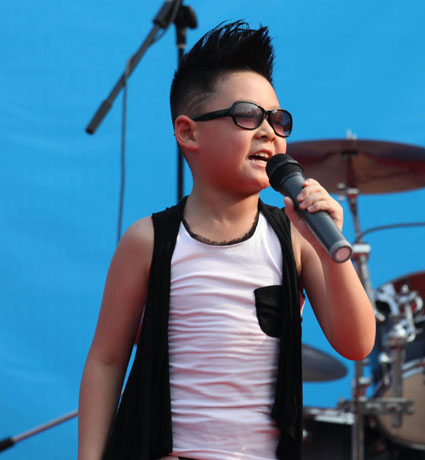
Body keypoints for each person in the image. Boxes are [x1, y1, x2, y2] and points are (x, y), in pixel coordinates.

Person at [78, 21, 375, 460]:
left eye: (278, 120)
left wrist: (333, 252)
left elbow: (357, 343)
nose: (268, 132)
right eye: (247, 116)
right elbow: (106, 361)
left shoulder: (295, 238)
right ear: (188, 132)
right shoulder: (149, 241)